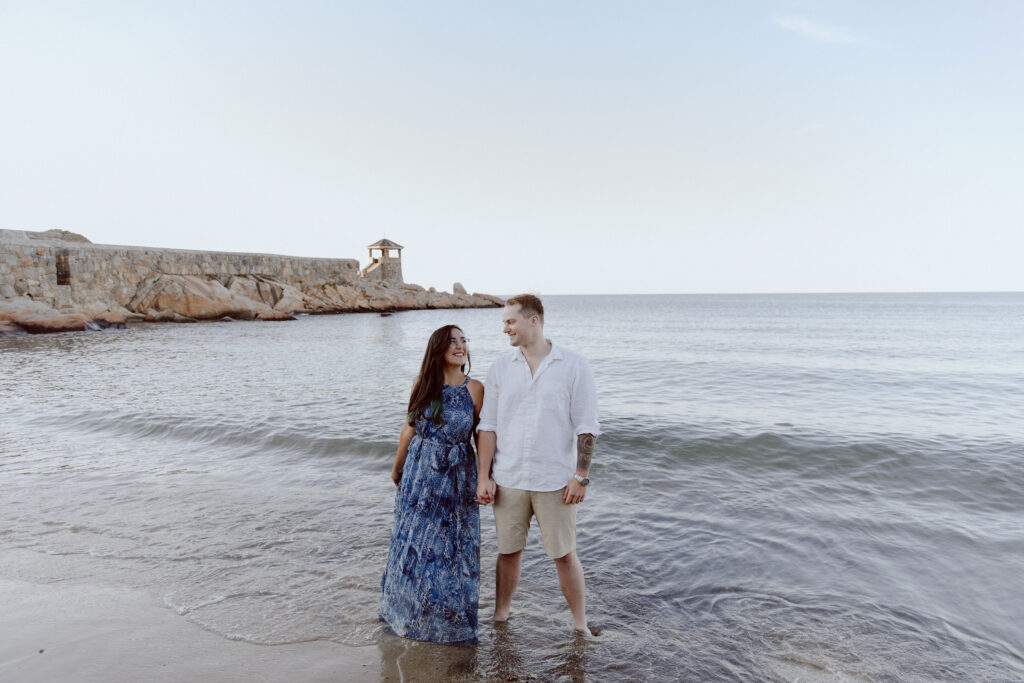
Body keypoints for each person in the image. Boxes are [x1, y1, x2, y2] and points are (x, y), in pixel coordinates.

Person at [475, 294, 600, 633]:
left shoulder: (573, 365)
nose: (505, 329)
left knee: (564, 554)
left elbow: (586, 426)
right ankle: (501, 616)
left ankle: (580, 625)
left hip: (555, 481)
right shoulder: (501, 367)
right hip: (509, 477)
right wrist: (483, 477)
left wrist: (581, 476)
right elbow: (488, 426)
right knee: (508, 552)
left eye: (510, 322)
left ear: (534, 320)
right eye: (504, 323)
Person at [380, 325, 485, 645]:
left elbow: (482, 437)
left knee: (453, 547)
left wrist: (485, 478)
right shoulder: (422, 385)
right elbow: (408, 429)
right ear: (437, 349)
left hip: (457, 478)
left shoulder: (475, 389)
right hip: (420, 475)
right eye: (452, 341)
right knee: (414, 543)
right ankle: (407, 613)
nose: (460, 346)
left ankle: (449, 619)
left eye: (464, 340)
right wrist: (397, 468)